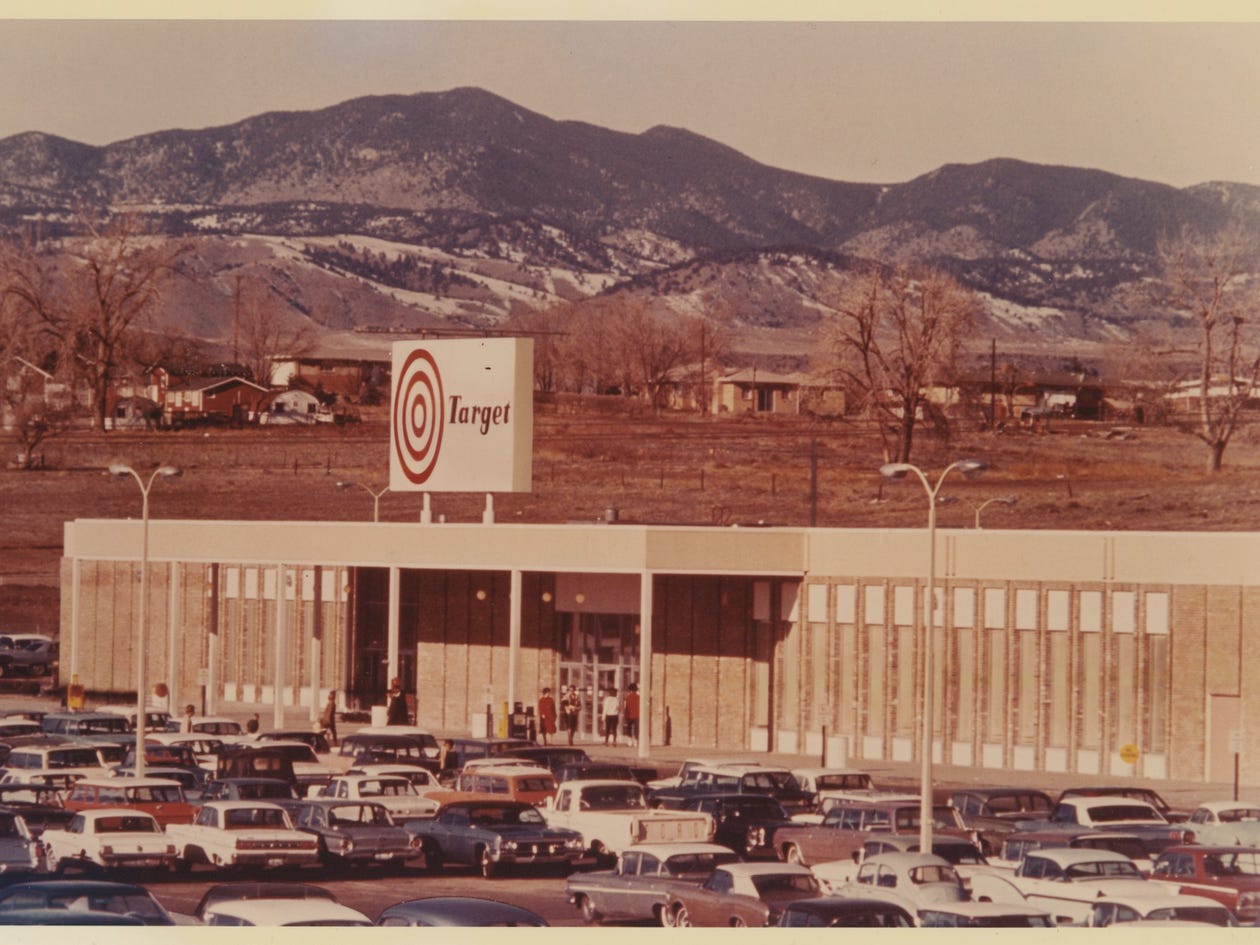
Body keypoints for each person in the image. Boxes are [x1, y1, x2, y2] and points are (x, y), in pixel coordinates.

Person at [624, 683, 640, 747]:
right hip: (637, 715)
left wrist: (625, 715)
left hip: (629, 715)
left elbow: (626, 707)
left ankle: (630, 742)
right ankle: (636, 741)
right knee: (636, 728)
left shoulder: (628, 697)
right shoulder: (639, 697)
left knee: (629, 728)